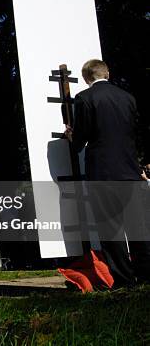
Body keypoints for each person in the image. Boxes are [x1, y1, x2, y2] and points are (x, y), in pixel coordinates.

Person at [66, 59, 150, 287]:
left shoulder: (85, 98)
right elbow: (133, 134)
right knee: (138, 228)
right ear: (107, 73)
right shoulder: (128, 98)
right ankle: (145, 277)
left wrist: (72, 138)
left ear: (86, 78)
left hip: (103, 173)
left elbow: (82, 137)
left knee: (110, 228)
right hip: (131, 171)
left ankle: (124, 280)